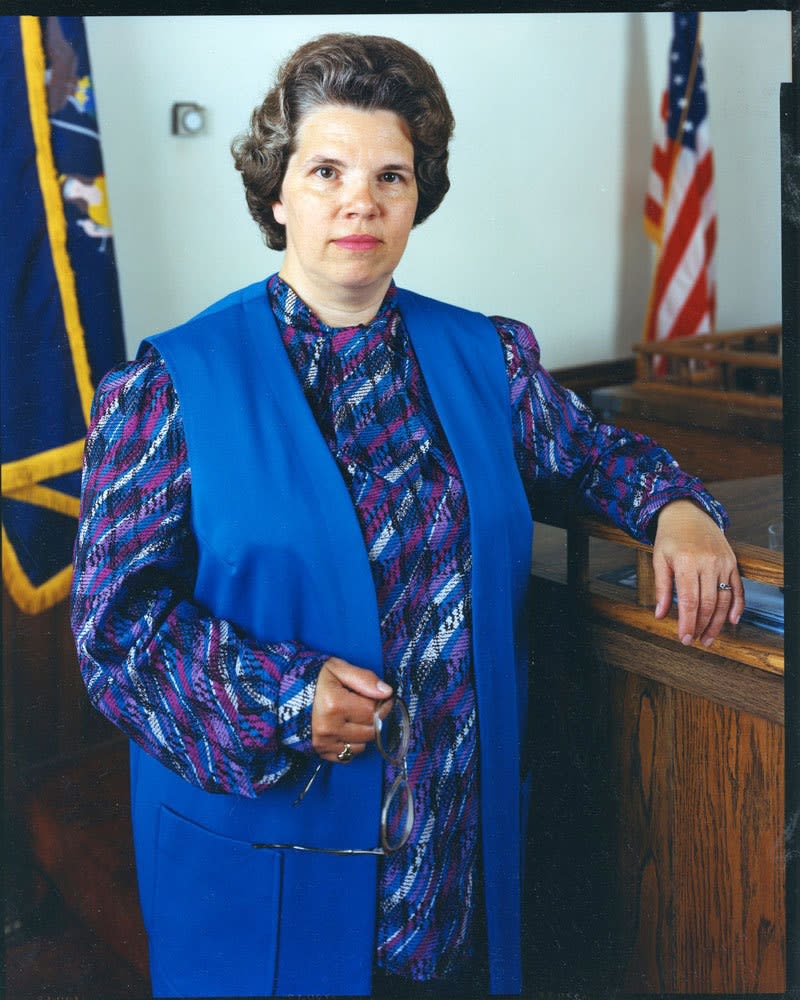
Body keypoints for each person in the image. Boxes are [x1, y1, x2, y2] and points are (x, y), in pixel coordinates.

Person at [71, 32, 744, 998]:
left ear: (418, 194)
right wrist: (281, 699)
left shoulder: (486, 357)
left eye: (391, 175)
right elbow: (115, 632)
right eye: (327, 171)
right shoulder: (168, 386)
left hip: (453, 859)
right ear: (276, 192)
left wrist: (675, 507)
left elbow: (594, 454)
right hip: (271, 858)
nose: (362, 201)